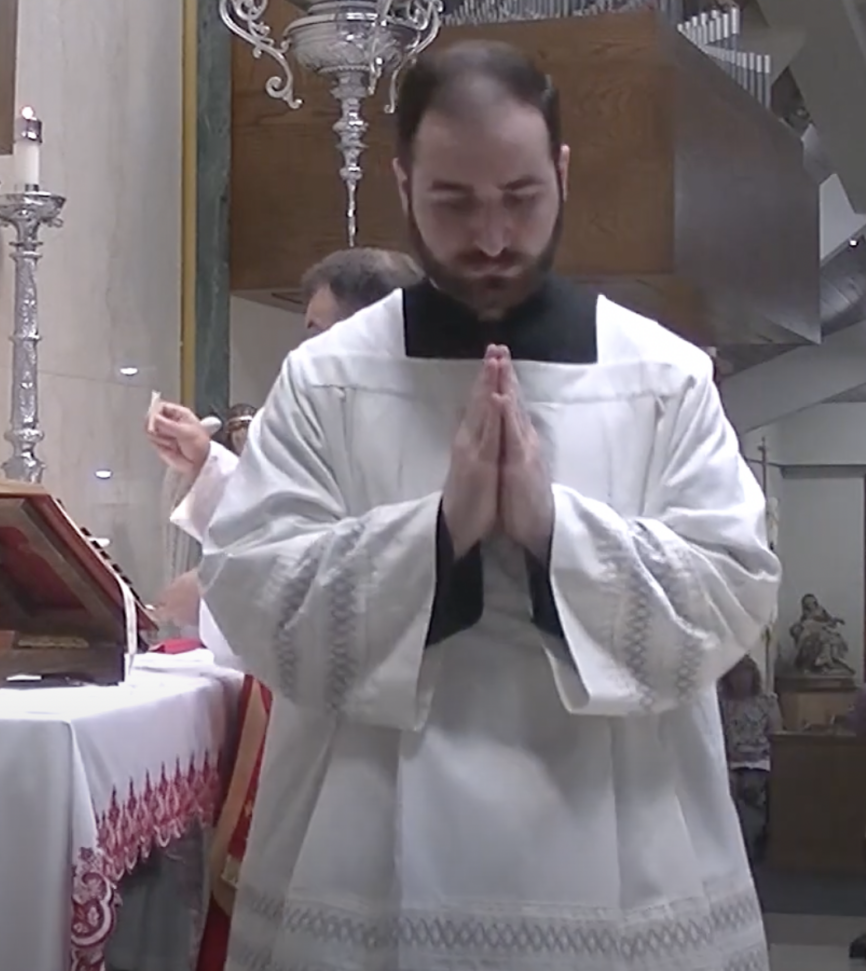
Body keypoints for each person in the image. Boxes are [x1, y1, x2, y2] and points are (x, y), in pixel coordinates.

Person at [200, 41, 781, 971]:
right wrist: (440, 534)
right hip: (369, 872)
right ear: (401, 181)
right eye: (453, 202)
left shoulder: (662, 378)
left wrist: (554, 530)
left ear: (562, 171)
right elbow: (252, 591)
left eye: (520, 197)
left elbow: (733, 594)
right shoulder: (327, 381)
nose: (494, 237)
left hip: (621, 868)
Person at [145, 246, 422, 971]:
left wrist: (218, 582)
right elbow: (278, 535)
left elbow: (329, 558)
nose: (305, 347)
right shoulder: (311, 412)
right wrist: (207, 465)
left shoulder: (418, 420)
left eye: (319, 328)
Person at [719, 656, 783, 858]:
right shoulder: (723, 704)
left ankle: (750, 847)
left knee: (751, 787)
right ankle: (731, 847)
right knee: (727, 788)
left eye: (744, 674)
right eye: (736, 674)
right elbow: (718, 736)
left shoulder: (766, 701)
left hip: (759, 761)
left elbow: (777, 735)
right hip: (730, 761)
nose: (740, 679)